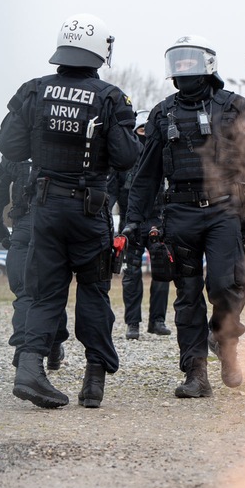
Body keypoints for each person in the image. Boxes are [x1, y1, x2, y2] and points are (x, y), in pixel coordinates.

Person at [0, 13, 140, 409]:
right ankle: (93, 382)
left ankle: (30, 370)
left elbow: (10, 147)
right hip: (89, 212)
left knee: (43, 293)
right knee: (93, 292)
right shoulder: (110, 97)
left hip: (43, 208)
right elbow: (128, 156)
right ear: (99, 52)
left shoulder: (34, 91)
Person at [126, 36, 245, 398]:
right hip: (179, 213)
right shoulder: (163, 113)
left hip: (224, 211)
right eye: (177, 62)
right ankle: (196, 374)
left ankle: (226, 344)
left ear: (207, 65)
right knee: (187, 296)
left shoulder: (233, 107)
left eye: (189, 61)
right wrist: (135, 219)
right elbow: (146, 174)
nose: (182, 69)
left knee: (226, 286)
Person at [0, 156, 68, 369]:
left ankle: (24, 350)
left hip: (25, 224)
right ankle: (53, 347)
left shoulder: (16, 155)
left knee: (25, 291)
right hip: (55, 225)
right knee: (53, 290)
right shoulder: (62, 145)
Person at [108, 109, 171, 341]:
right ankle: (132, 323)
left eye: (148, 129)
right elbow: (111, 192)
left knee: (162, 271)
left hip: (158, 222)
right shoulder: (123, 159)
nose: (144, 134)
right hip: (130, 224)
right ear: (135, 132)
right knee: (131, 274)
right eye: (140, 129)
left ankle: (158, 320)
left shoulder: (163, 154)